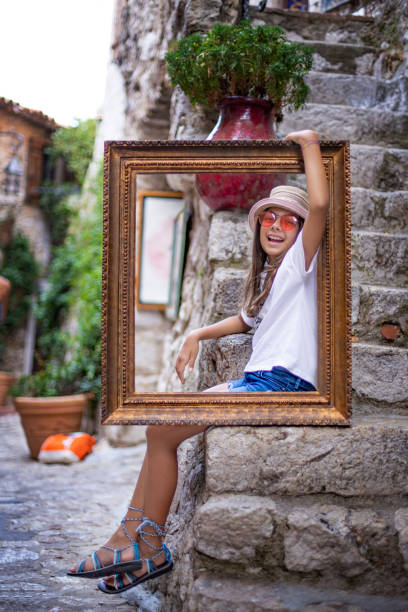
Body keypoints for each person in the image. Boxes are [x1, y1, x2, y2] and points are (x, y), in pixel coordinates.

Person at [68, 129, 329, 594]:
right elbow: (246, 320)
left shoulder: (299, 266)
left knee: (161, 430)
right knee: (159, 427)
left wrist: (309, 146)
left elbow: (323, 208)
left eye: (288, 221)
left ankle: (147, 545)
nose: (274, 225)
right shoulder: (272, 278)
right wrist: (197, 332)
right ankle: (130, 539)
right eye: (268, 216)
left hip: (280, 386)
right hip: (261, 383)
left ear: (300, 232)